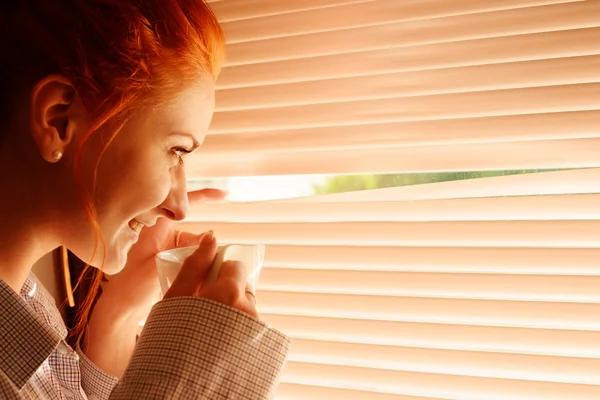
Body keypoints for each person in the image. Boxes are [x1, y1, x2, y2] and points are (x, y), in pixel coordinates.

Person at [0, 0, 290, 399]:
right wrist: (195, 381)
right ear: (59, 119)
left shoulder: (28, 302)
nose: (179, 206)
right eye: (176, 151)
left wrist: (118, 313)